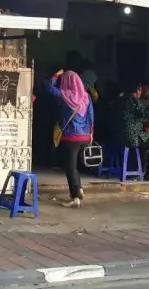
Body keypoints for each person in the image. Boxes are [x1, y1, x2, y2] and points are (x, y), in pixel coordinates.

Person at [45, 69, 94, 208]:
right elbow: (91, 117)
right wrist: (90, 134)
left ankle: (75, 197)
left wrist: (56, 75)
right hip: (84, 136)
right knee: (74, 166)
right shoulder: (86, 96)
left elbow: (48, 87)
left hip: (71, 137)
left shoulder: (66, 95)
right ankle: (79, 189)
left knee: (70, 167)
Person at [117, 83, 149, 177]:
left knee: (146, 138)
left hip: (118, 135)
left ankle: (137, 167)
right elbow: (147, 115)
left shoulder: (121, 99)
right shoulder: (133, 100)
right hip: (131, 136)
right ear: (137, 91)